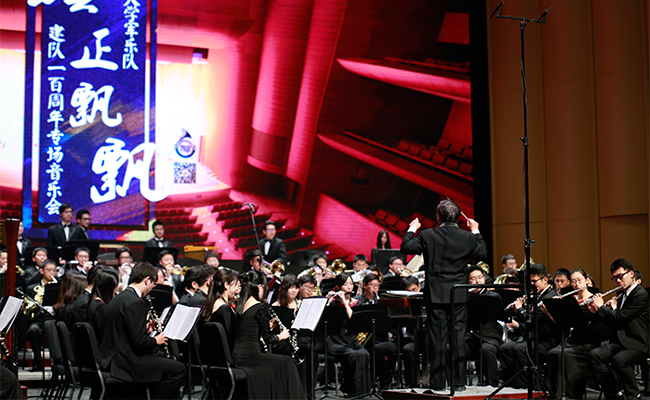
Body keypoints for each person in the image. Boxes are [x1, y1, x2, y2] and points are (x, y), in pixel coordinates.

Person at [400, 199, 486, 391]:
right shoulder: (468, 236)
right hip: (458, 295)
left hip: (436, 294)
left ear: (438, 217)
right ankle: (459, 382)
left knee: (436, 340)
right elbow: (482, 254)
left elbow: (406, 248)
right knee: (458, 339)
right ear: (458, 218)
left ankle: (438, 383)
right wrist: (475, 231)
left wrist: (412, 228)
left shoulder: (428, 234)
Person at [99, 262, 185, 399]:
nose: (151, 289)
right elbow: (140, 343)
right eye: (153, 284)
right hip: (127, 362)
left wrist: (146, 329)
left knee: (164, 365)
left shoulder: (119, 298)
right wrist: (156, 340)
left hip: (113, 359)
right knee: (178, 369)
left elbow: (122, 330)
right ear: (147, 280)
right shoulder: (136, 302)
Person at [231, 270, 304, 399]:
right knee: (287, 362)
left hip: (238, 355)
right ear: (259, 287)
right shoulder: (260, 307)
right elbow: (269, 339)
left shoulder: (239, 305)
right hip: (252, 357)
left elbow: (247, 330)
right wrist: (281, 336)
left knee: (281, 362)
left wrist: (265, 327)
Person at [587, 259, 649, 400]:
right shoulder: (622, 295)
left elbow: (620, 317)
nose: (617, 281)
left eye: (620, 276)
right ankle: (614, 393)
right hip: (623, 341)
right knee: (594, 355)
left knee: (619, 360)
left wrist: (603, 307)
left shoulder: (640, 294)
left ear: (631, 274)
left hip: (638, 343)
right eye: (614, 278)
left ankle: (634, 395)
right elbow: (613, 322)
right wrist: (596, 311)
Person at [544, 268, 608, 399]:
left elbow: (601, 325)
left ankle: (569, 395)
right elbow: (563, 324)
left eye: (579, 280)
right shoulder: (570, 299)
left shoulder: (595, 299)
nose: (577, 284)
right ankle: (550, 393)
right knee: (552, 353)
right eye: (573, 281)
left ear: (586, 280)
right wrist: (553, 308)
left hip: (588, 342)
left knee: (565, 355)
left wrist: (597, 311)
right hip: (573, 340)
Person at [498, 263, 561, 389]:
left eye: (534, 281)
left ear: (545, 280)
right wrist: (514, 310)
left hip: (546, 341)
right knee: (505, 348)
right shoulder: (536, 295)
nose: (532, 285)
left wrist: (520, 309)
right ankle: (510, 382)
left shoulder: (550, 297)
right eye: (530, 282)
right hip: (533, 339)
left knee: (520, 349)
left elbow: (530, 319)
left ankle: (526, 386)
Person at [326, 272, 370, 397]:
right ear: (338, 287)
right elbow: (325, 320)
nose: (349, 287)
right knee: (352, 355)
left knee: (365, 354)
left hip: (350, 339)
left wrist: (346, 304)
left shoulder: (356, 303)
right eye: (345, 284)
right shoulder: (333, 303)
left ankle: (362, 391)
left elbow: (355, 321)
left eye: (351, 284)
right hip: (335, 340)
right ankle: (349, 389)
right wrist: (327, 302)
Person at [465, 265, 502, 387]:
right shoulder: (464, 298)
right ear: (468, 281)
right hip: (470, 339)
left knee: (486, 349)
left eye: (480, 277)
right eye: (473, 278)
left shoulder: (493, 297)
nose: (477, 281)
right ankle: (456, 383)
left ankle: (492, 383)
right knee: (451, 348)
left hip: (489, 338)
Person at [23, 259, 58, 371]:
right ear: (42, 271)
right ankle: (38, 361)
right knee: (33, 330)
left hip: (54, 320)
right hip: (38, 320)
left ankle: (57, 364)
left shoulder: (59, 287)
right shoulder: (32, 288)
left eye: (54, 270)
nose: (52, 273)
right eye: (49, 270)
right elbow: (26, 309)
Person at [203, 268, 241, 346]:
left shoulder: (213, 304)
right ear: (226, 285)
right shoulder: (224, 309)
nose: (236, 290)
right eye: (235, 285)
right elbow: (231, 338)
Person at [85, 268, 119, 343]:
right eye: (115, 286)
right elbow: (109, 334)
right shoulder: (100, 307)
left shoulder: (93, 302)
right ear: (108, 288)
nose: (117, 289)